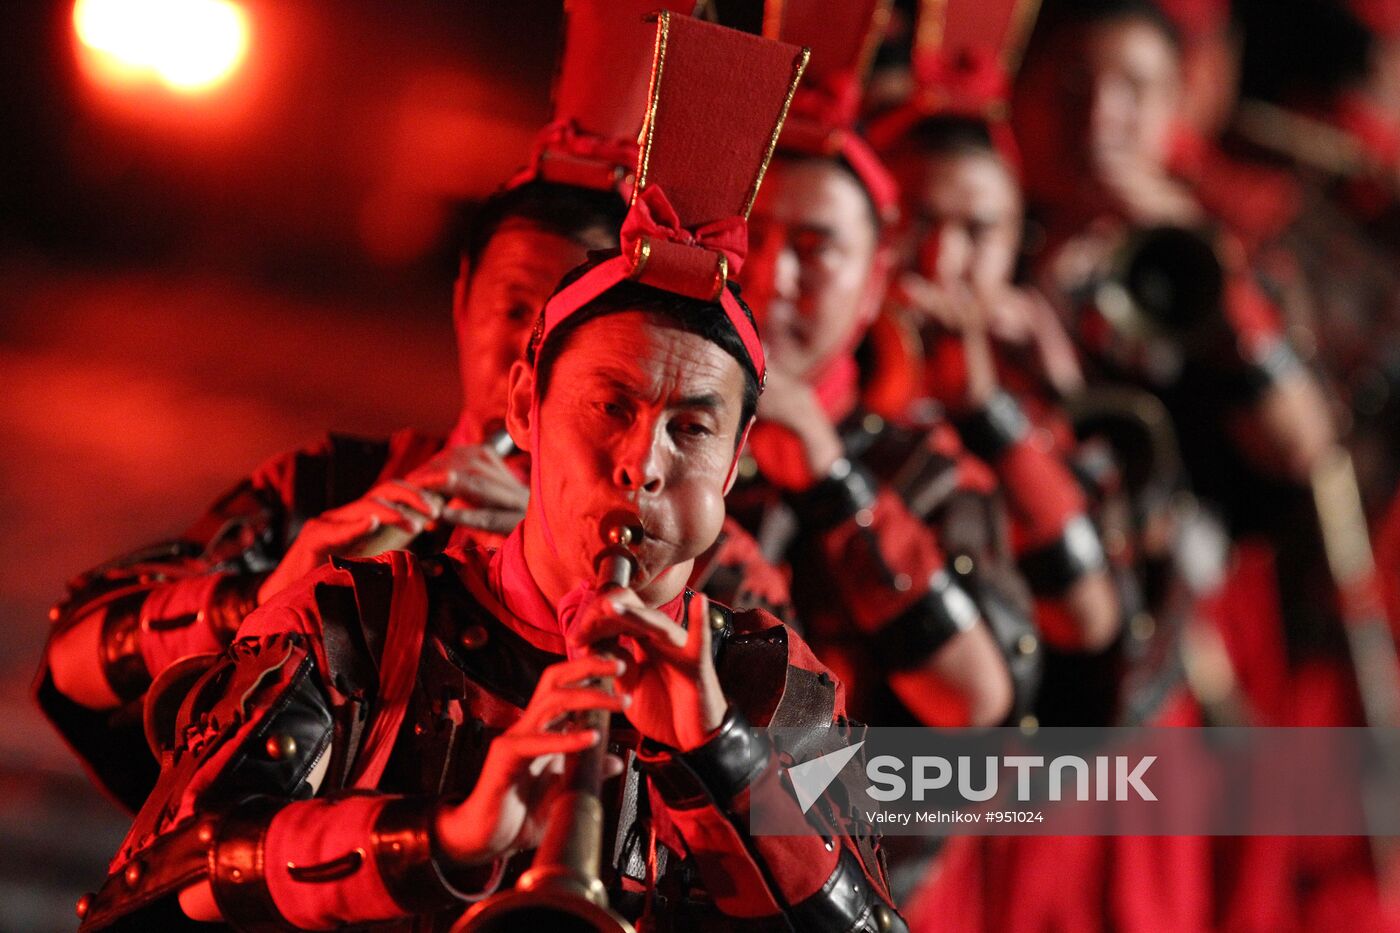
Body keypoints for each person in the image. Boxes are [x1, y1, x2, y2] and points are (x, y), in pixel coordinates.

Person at [75, 14, 905, 931]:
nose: (643, 464)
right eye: (611, 408)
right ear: (523, 407)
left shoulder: (773, 681)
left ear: (736, 457)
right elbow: (154, 882)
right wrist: (447, 838)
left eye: (692, 429)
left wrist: (722, 754)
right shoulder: (350, 617)